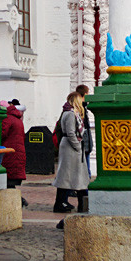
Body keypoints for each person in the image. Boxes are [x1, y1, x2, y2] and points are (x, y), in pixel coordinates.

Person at [53, 90, 89, 224]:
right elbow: (70, 132)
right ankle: (62, 202)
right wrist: (77, 146)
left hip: (73, 147)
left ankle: (78, 201)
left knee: (75, 175)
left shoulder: (74, 113)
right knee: (67, 175)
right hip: (70, 148)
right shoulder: (69, 114)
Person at [1, 99, 27, 200]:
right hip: (17, 152)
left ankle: (17, 201)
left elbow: (1, 134)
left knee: (8, 180)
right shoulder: (17, 119)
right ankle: (18, 200)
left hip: (9, 153)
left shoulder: (7, 119)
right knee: (10, 180)